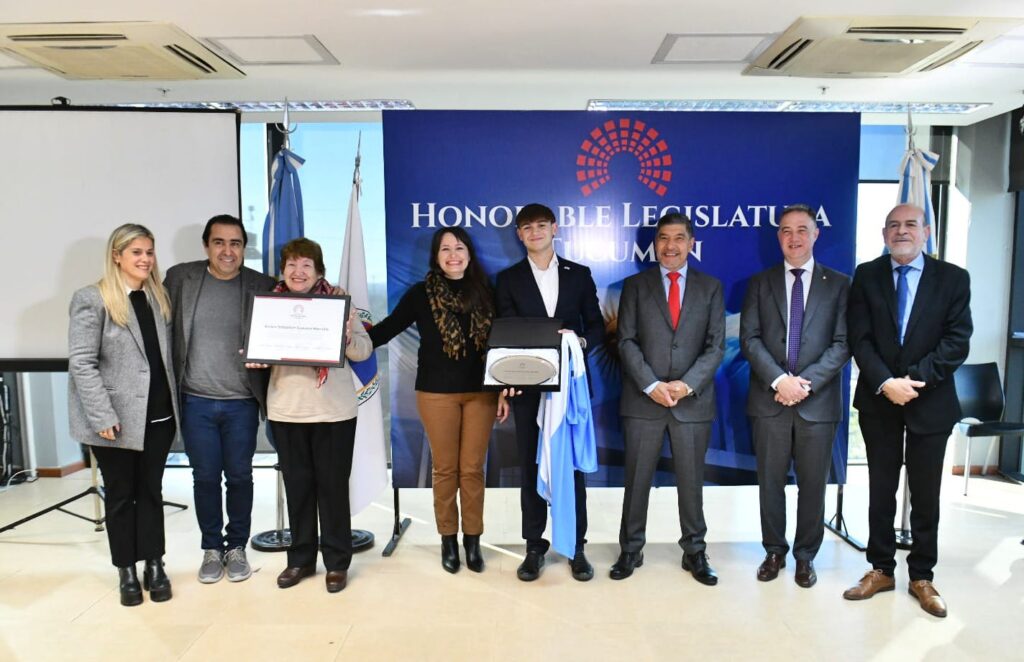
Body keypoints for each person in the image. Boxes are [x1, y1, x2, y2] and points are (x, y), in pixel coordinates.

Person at [843, 203, 972, 617]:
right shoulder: (867, 275)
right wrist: (886, 383)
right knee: (880, 489)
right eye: (894, 226)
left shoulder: (953, 278)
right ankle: (880, 569)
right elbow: (859, 338)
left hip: (930, 401)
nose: (902, 231)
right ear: (884, 234)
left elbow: (957, 341)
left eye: (911, 225)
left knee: (926, 493)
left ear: (926, 232)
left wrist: (912, 382)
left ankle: (922, 576)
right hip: (879, 399)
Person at [370, 227, 506, 574]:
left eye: (459, 248)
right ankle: (448, 538)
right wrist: (347, 338)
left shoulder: (487, 293)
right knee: (445, 469)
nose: (453, 255)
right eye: (445, 249)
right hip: (436, 393)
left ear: (469, 254)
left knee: (472, 469)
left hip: (482, 394)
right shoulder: (421, 294)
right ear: (436, 257)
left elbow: (503, 344)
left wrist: (504, 388)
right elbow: (387, 329)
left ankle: (472, 540)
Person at [739, 204, 850, 588]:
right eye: (786, 230)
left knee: (813, 485)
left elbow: (842, 343)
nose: (794, 237)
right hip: (769, 401)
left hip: (817, 403)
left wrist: (804, 383)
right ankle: (774, 551)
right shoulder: (759, 283)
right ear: (778, 237)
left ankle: (806, 556)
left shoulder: (840, 284)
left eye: (802, 229)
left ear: (816, 234)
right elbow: (749, 339)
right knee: (770, 482)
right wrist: (778, 380)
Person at [252, 238, 372, 593]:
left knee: (333, 490)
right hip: (287, 410)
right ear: (282, 271)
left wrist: (347, 337)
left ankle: (337, 563)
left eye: (306, 265)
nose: (298, 271)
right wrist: (255, 355)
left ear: (319, 271)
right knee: (298, 489)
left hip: (334, 412)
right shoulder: (269, 307)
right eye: (291, 264)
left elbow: (364, 351)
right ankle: (301, 560)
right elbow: (257, 351)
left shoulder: (339, 303)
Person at [67, 223, 178, 606]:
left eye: (149, 252)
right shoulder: (92, 299)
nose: (145, 259)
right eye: (136, 252)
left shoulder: (158, 297)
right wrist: (101, 415)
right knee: (119, 495)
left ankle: (154, 564)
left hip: (159, 417)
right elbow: (82, 363)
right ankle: (126, 570)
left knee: (151, 492)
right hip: (114, 421)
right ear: (117, 256)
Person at [611, 212, 724, 585]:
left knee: (691, 482)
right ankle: (631, 549)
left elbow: (715, 346)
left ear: (691, 243)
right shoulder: (635, 286)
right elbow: (626, 341)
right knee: (637, 479)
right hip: (643, 401)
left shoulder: (710, 287)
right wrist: (651, 385)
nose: (670, 246)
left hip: (692, 402)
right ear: (654, 243)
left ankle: (695, 551)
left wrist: (686, 385)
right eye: (663, 238)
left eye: (678, 238)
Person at [495, 203, 605, 582]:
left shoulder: (579, 275)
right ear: (519, 235)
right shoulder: (508, 279)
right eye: (527, 228)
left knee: (570, 469)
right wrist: (507, 379)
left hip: (570, 389)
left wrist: (578, 343)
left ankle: (577, 547)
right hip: (526, 389)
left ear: (554, 228)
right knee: (530, 467)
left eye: (542, 225)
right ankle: (534, 547)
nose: (535, 232)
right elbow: (505, 333)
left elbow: (596, 326)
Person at [164, 214, 275, 584]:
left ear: (244, 248)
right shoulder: (180, 278)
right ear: (206, 246)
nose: (228, 251)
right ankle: (212, 548)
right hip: (195, 401)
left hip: (242, 401)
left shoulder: (261, 285)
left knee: (240, 476)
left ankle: (236, 547)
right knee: (205, 477)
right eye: (219, 242)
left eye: (236, 243)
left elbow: (294, 315)